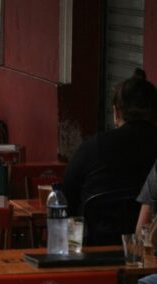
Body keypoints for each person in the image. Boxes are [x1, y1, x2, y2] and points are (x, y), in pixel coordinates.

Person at [63, 69, 157, 217]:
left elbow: (65, 199)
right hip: (148, 239)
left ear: (116, 113)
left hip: (98, 239)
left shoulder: (93, 147)